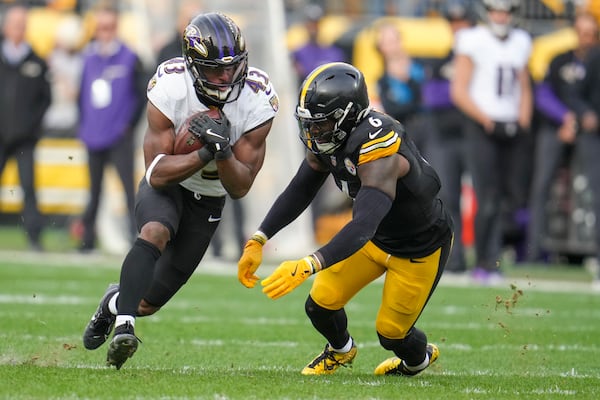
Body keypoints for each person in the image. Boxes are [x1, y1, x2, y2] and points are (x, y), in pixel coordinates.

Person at [82, 12, 279, 370]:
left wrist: (222, 151)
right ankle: (124, 326)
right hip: (171, 184)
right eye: (215, 69)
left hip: (212, 196)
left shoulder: (258, 96)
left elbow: (241, 186)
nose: (225, 77)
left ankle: (114, 303)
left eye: (232, 67)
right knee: (155, 231)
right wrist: (204, 150)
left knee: (148, 302)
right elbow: (156, 174)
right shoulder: (171, 85)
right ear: (192, 65)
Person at [238, 62, 453, 376]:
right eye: (309, 123)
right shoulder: (332, 139)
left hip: (417, 248)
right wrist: (260, 237)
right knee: (320, 303)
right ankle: (341, 350)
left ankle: (418, 360)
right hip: (377, 238)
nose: (312, 132)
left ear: (347, 117)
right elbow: (301, 188)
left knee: (391, 334)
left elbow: (363, 224)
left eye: (320, 125)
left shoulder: (380, 151)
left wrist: (309, 263)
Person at [450, 0, 532, 283]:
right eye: (496, 9)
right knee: (487, 197)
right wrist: (486, 119)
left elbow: (523, 84)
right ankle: (485, 261)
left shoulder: (521, 41)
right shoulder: (472, 39)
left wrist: (523, 119)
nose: (501, 15)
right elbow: (459, 90)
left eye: (506, 10)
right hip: (483, 126)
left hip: (512, 127)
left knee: (512, 197)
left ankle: (497, 256)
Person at [527, 13, 598, 263]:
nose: (586, 39)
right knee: (541, 186)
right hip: (557, 127)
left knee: (595, 186)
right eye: (582, 32)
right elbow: (543, 95)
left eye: (591, 34)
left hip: (589, 131)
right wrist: (565, 118)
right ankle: (534, 252)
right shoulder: (560, 60)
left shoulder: (596, 61)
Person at [76, 6, 146, 251]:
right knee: (93, 192)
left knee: (128, 189)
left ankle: (135, 239)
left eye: (108, 27)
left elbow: (141, 95)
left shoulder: (129, 56)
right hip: (93, 134)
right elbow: (81, 95)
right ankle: (87, 241)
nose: (104, 33)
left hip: (118, 136)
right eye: (100, 28)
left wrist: (128, 125)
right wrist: (83, 125)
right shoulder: (88, 57)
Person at [422, 0, 474, 273]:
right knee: (448, 197)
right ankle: (454, 257)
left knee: (489, 197)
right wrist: (463, 90)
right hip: (446, 137)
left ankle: (492, 257)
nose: (457, 29)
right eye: (453, 24)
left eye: (462, 22)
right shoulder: (442, 61)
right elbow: (432, 96)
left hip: (477, 136)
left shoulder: (481, 59)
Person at [0, 5, 51, 251]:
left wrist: (32, 125)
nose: (18, 29)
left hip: (25, 138)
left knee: (29, 187)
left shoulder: (37, 61)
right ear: (5, 27)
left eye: (22, 24)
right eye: (14, 24)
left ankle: (34, 236)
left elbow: (45, 98)